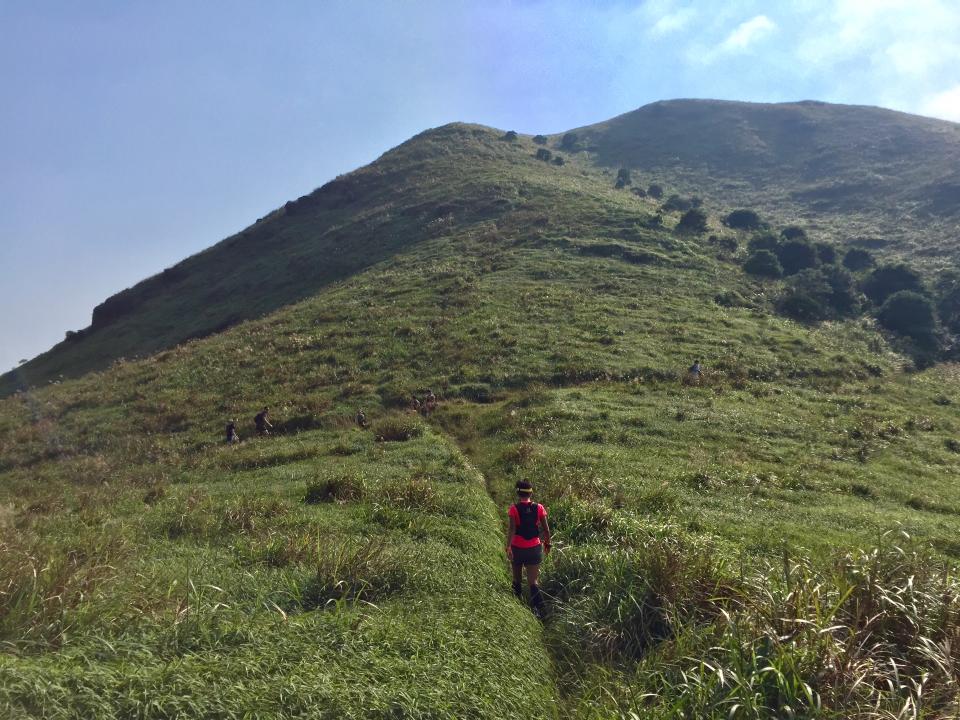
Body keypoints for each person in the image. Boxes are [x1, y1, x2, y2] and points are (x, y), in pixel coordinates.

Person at [506, 480, 551, 617]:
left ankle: (516, 608)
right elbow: (546, 530)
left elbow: (512, 529)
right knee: (533, 581)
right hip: (534, 549)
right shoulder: (539, 508)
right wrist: (547, 544)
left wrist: (508, 547)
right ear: (531, 493)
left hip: (518, 548)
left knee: (517, 579)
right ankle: (539, 610)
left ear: (518, 493)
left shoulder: (514, 508)